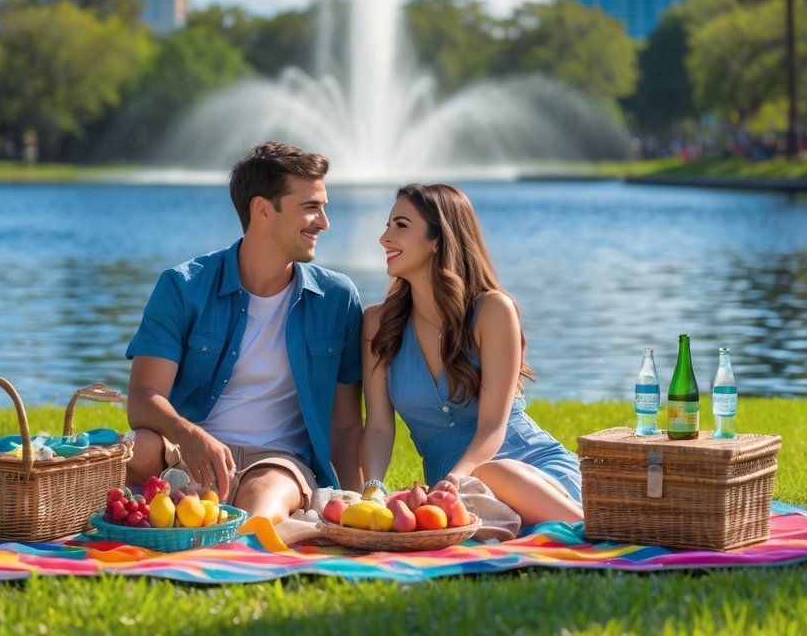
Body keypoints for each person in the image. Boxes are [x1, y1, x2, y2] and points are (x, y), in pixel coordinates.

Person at [124, 141, 364, 523]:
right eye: (310, 207)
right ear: (263, 209)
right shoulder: (183, 287)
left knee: (258, 512)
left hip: (277, 464)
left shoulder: (336, 299)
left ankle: (230, 552)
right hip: (184, 448)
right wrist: (189, 435)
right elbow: (142, 398)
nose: (324, 222)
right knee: (118, 456)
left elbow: (347, 424)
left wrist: (357, 507)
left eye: (323, 207)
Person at [360, 183, 583, 525]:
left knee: (495, 475)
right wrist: (373, 489)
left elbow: (493, 428)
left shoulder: (493, 310)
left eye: (400, 226)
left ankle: (593, 528)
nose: (384, 238)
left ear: (438, 239)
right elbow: (377, 427)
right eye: (388, 226)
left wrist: (456, 478)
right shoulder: (378, 324)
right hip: (454, 493)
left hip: (530, 469)